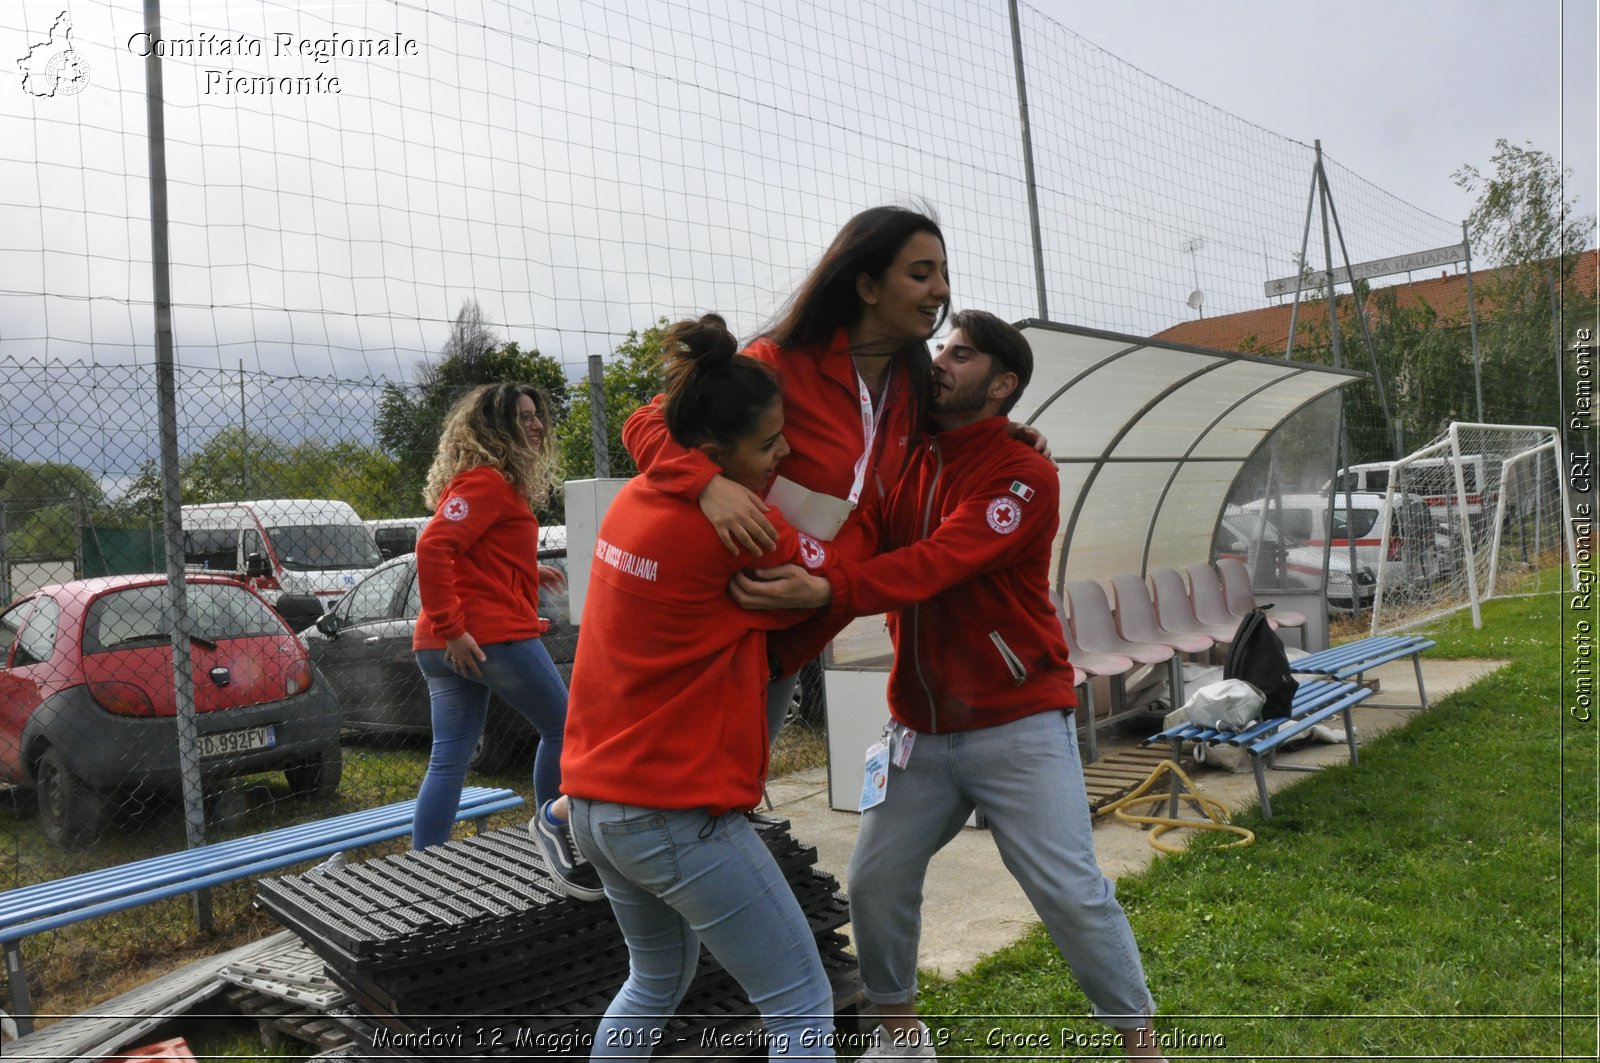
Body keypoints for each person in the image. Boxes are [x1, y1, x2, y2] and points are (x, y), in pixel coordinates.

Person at [733, 310, 1166, 1061]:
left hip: (1019, 721)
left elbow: (940, 560)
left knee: (1070, 890)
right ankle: (903, 1040)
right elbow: (862, 525)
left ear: (1002, 384)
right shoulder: (904, 458)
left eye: (959, 353)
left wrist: (825, 591)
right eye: (940, 345)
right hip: (916, 732)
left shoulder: (1023, 472)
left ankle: (1140, 1044)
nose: (939, 359)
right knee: (873, 882)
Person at [561, 316, 840, 1060]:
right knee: (802, 1003)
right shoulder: (745, 533)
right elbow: (833, 566)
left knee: (654, 980)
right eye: (770, 444)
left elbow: (646, 422)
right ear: (715, 455)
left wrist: (703, 479)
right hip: (674, 816)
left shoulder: (633, 503)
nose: (787, 453)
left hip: (594, 808)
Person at [622, 205, 949, 745]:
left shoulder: (911, 387)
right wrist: (708, 485)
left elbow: (953, 440)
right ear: (867, 286)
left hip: (797, 624)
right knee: (665, 778)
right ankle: (563, 819)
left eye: (942, 273)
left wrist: (1010, 437)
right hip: (725, 614)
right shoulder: (778, 362)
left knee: (734, 785)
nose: (939, 290)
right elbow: (648, 423)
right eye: (920, 274)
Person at [410, 382, 602, 902]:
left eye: (537, 415)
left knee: (448, 758)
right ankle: (554, 836)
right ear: (495, 429)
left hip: (444, 645)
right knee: (563, 729)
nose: (537, 424)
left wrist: (524, 570)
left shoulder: (483, 484)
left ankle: (423, 870)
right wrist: (455, 628)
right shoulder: (488, 481)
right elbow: (432, 548)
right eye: (523, 418)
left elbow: (474, 555)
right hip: (483, 638)